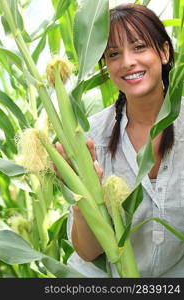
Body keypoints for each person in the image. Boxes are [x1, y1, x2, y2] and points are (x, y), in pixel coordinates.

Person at [56, 3, 184, 277]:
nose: (127, 62)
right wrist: (82, 194)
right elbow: (88, 252)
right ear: (105, 65)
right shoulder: (91, 137)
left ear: (163, 52)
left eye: (139, 47)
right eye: (114, 54)